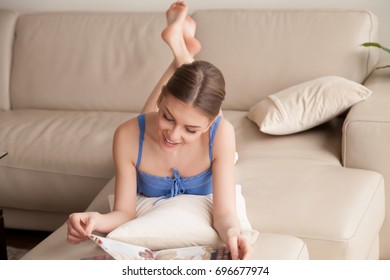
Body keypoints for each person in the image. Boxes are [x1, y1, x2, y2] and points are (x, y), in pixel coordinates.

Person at [66, 1, 251, 260]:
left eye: (191, 129)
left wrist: (233, 232)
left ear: (209, 125)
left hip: (215, 145)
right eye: (167, 116)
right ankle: (179, 48)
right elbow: (124, 213)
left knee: (200, 108)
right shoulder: (128, 136)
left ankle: (179, 48)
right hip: (147, 128)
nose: (174, 136)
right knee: (144, 123)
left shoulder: (220, 133)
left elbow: (224, 213)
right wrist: (95, 219)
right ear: (159, 98)